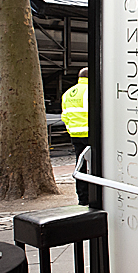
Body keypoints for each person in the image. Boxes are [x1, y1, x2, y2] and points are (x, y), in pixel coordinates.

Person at [61, 67, 90, 206]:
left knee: (80, 166)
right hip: (90, 134)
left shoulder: (68, 93)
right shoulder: (91, 91)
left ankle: (82, 198)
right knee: (96, 166)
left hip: (75, 134)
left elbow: (65, 116)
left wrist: (71, 129)